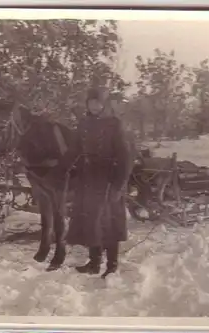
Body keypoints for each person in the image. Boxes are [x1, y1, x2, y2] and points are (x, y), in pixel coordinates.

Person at [65, 86, 133, 279]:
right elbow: (74, 149)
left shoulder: (114, 124)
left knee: (109, 224)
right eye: (91, 102)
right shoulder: (84, 123)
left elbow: (125, 158)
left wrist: (118, 187)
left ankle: (111, 265)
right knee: (91, 222)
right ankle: (94, 263)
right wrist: (62, 168)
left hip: (109, 180)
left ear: (104, 104)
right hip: (88, 179)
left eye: (98, 102)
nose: (94, 106)